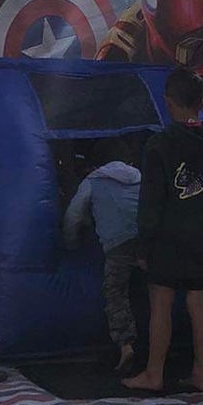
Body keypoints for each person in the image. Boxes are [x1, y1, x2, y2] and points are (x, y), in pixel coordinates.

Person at [124, 67, 203, 396]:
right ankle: (201, 373)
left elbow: (151, 202)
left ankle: (154, 373)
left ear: (168, 102)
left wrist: (143, 247)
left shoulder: (161, 145)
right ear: (202, 102)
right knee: (198, 303)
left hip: (168, 240)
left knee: (161, 301)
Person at [62, 137, 143, 375]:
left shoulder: (93, 181)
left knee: (115, 292)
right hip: (148, 240)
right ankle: (153, 341)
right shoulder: (141, 177)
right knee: (152, 290)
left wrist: (70, 243)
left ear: (95, 164)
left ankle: (126, 345)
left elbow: (73, 216)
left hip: (117, 244)